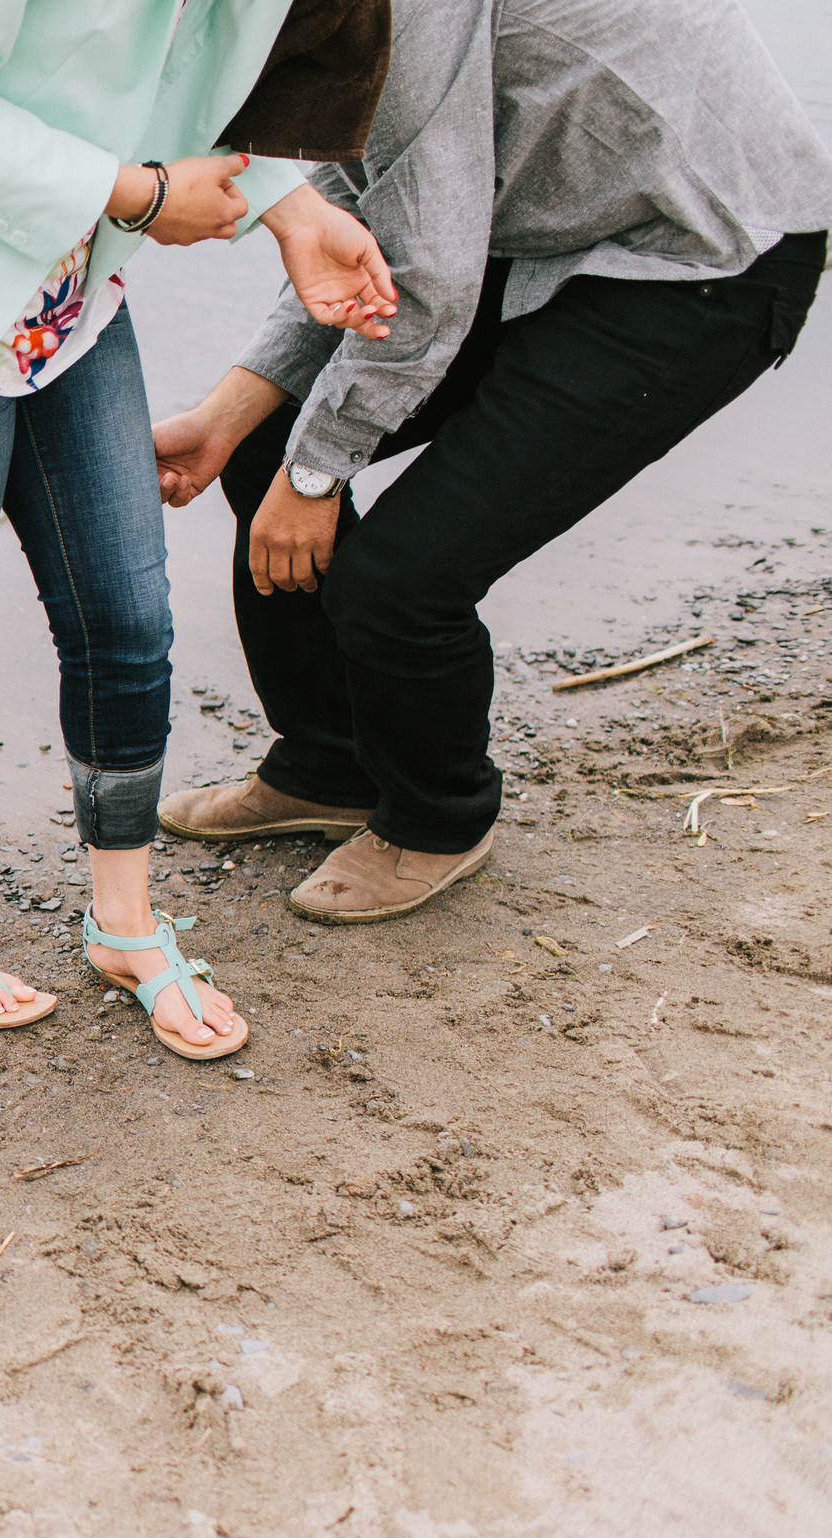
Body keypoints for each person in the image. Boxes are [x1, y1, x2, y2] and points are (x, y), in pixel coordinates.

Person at [0, 0, 395, 1059]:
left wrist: (287, 207)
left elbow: (176, 73)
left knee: (124, 616)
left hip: (70, 295)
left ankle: (124, 925)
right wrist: (141, 195)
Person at [153, 0, 832, 922]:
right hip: (550, 214)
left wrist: (320, 473)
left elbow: (425, 271)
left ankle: (438, 819)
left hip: (704, 248)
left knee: (400, 578)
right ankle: (331, 764)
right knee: (265, 445)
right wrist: (232, 413)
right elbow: (364, 200)